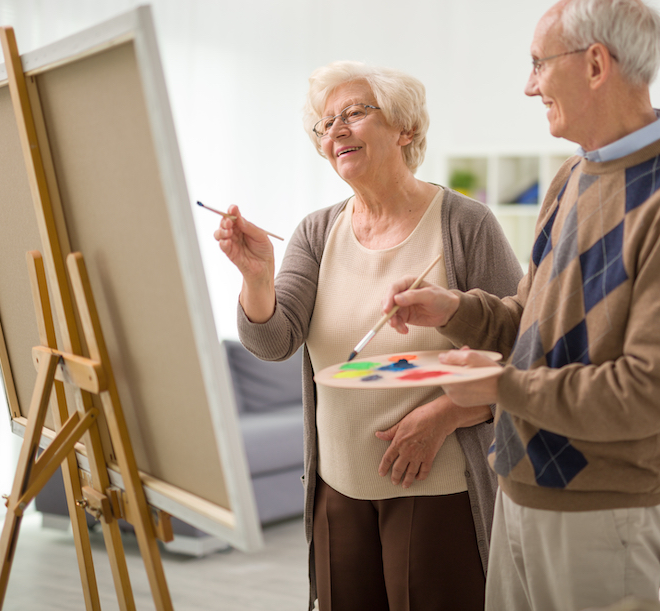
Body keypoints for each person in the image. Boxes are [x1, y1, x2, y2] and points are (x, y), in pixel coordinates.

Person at [383, 0, 660, 611]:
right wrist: (456, 309)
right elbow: (530, 320)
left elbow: (649, 392)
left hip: (603, 515)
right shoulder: (574, 174)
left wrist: (500, 387)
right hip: (518, 489)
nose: (529, 85)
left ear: (596, 64)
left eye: (539, 63)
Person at [212, 60, 522, 611]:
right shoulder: (316, 230)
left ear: (405, 129)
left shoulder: (464, 224)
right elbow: (274, 340)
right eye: (326, 124)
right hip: (338, 484)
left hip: (437, 483)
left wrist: (444, 414)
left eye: (354, 113)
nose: (336, 131)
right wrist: (257, 277)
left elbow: (521, 347)